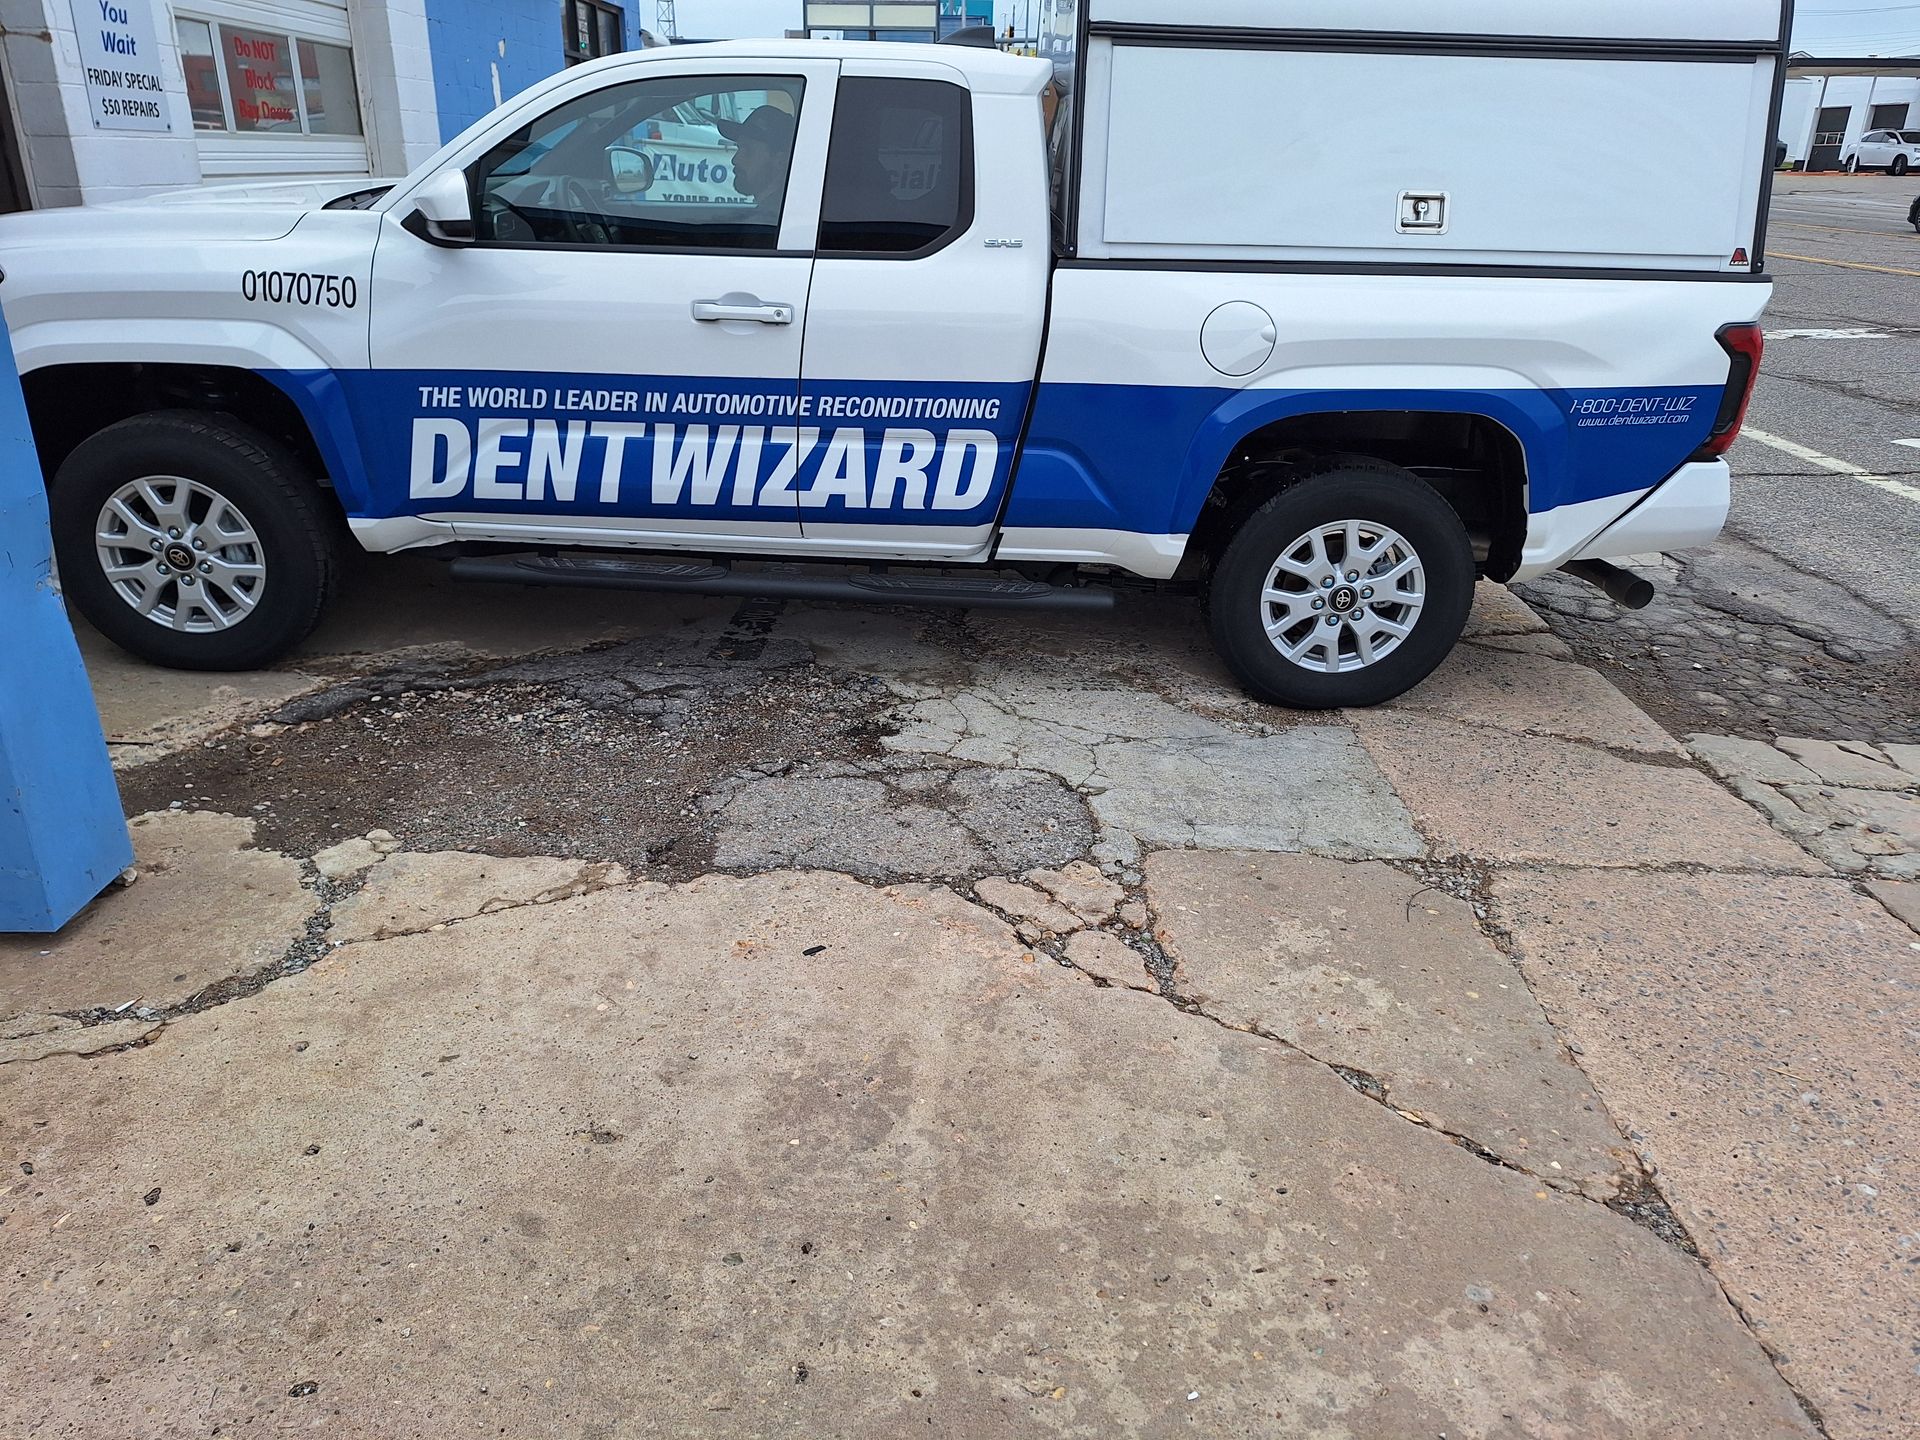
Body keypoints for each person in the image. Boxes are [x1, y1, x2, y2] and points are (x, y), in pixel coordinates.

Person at [715, 106, 797, 217]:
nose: (735, 160)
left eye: (748, 150)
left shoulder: (770, 222)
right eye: (739, 148)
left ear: (780, 162)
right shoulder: (774, 214)